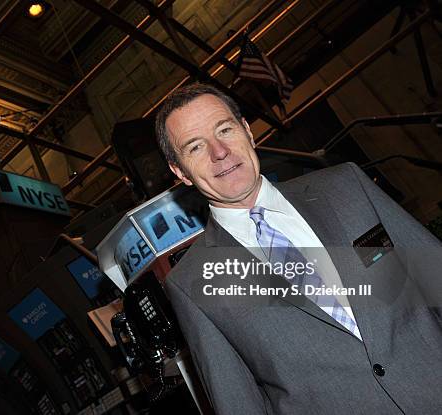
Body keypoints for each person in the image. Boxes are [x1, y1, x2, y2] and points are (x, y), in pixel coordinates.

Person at [155, 82, 442, 414]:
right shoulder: (191, 283)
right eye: (195, 147)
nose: (220, 152)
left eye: (225, 129)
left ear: (247, 130)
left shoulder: (345, 186)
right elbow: (237, 403)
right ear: (180, 172)